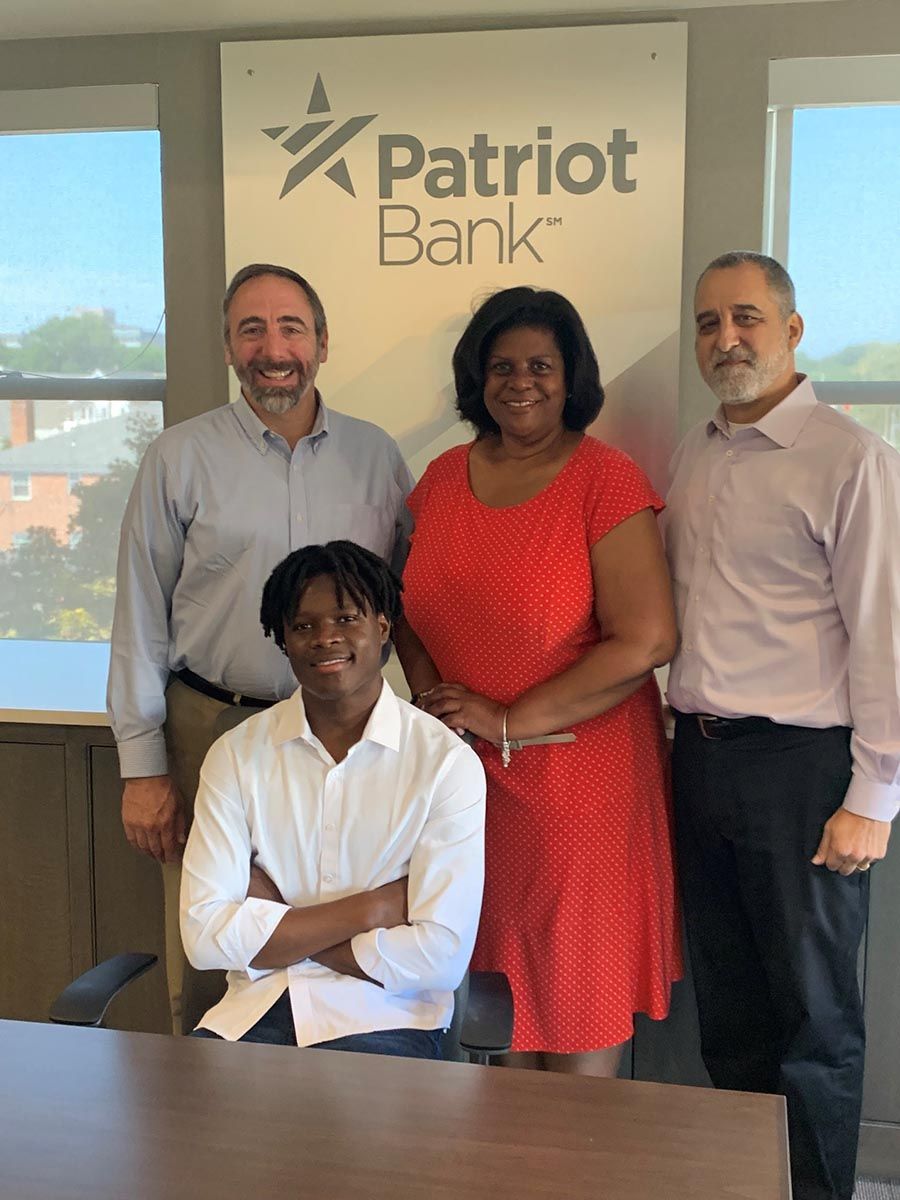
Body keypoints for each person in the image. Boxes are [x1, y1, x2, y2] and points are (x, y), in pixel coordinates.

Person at [107, 263, 414, 1033]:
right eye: (252, 329)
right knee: (221, 949)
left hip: (347, 736)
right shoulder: (178, 458)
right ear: (228, 348)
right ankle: (210, 1119)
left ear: (322, 343)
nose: (272, 348)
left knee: (351, 931)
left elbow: (406, 603)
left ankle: (346, 1111)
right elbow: (140, 612)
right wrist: (143, 767)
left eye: (290, 328)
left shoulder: (377, 459)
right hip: (215, 727)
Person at [662, 250, 900, 1200]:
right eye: (710, 323)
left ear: (792, 330)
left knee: (814, 1021)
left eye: (747, 319)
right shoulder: (695, 451)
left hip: (805, 773)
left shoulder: (852, 460)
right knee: (731, 1011)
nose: (727, 339)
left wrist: (874, 796)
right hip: (701, 760)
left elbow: (887, 636)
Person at [400, 286, 682, 1076]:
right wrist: (439, 708)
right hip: (467, 785)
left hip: (577, 788)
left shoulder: (606, 480)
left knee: (575, 1013)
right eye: (501, 366)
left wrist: (508, 719)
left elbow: (650, 638)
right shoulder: (442, 478)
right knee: (493, 1019)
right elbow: (408, 609)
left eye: (540, 365)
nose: (520, 382)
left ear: (572, 377)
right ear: (476, 378)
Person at [180, 540, 486, 1053]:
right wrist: (371, 909)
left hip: (386, 1020)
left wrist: (281, 921)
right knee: (191, 1128)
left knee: (333, 1133)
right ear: (283, 641)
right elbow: (204, 937)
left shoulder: (444, 764)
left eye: (346, 619)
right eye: (303, 626)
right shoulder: (235, 756)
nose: (325, 638)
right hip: (249, 1018)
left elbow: (441, 957)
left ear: (383, 628)